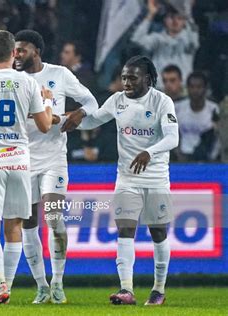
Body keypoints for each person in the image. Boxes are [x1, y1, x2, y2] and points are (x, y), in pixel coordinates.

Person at [62, 55, 179, 306]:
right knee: (125, 230)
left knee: (158, 232)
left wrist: (150, 152)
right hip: (126, 178)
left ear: (147, 79)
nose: (126, 82)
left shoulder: (161, 101)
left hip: (156, 178)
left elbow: (172, 138)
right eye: (124, 77)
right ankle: (127, 289)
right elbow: (94, 120)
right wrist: (65, 121)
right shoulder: (117, 100)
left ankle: (158, 289)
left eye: (132, 77)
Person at [0, 30, 53, 304]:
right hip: (19, 161)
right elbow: (44, 125)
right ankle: (9, 286)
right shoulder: (27, 82)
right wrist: (48, 100)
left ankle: (0, 284)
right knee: (14, 226)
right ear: (14, 54)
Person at [13, 29, 99, 304]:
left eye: (22, 50)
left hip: (53, 158)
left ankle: (58, 282)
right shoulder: (12, 79)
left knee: (53, 217)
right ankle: (40, 285)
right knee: (27, 223)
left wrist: (80, 114)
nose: (16, 55)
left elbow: (91, 101)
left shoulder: (59, 74)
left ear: (37, 51)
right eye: (14, 50)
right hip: (21, 159)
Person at [131, 0, 199, 88]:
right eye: (171, 17)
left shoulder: (189, 38)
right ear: (165, 20)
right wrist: (150, 14)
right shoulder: (158, 38)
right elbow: (136, 40)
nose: (175, 21)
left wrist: (188, 14)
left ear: (184, 22)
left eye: (179, 18)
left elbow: (194, 33)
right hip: (160, 87)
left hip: (183, 87)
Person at [175, 71, 220, 161]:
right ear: (187, 88)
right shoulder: (177, 107)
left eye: (199, 87)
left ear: (205, 89)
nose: (195, 91)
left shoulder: (213, 108)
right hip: (182, 156)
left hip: (206, 158)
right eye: (192, 87)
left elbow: (217, 136)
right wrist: (178, 154)